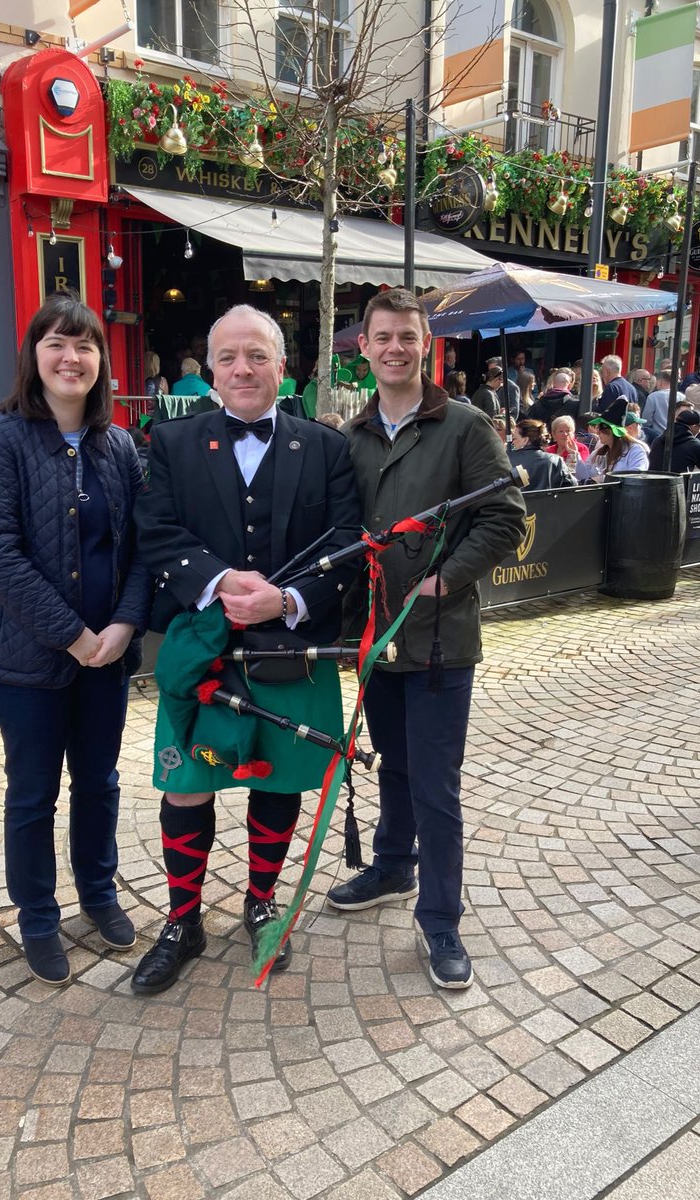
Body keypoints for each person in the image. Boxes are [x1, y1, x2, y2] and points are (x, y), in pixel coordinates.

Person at [131, 304, 360, 995]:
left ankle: (264, 903)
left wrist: (287, 602)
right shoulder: (170, 443)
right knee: (187, 786)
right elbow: (157, 533)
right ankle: (183, 920)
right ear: (209, 367)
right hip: (200, 648)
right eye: (228, 356)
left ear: (282, 367)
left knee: (278, 780)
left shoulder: (326, 448)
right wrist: (226, 581)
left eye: (257, 355)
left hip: (289, 648)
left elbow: (349, 545)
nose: (242, 369)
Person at [326, 289, 526, 990]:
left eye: (406, 337)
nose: (394, 349)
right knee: (395, 766)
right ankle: (391, 868)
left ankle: (440, 919)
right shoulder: (351, 439)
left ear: (425, 343)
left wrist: (448, 580)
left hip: (441, 638)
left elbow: (504, 517)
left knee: (437, 785)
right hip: (379, 640)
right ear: (365, 348)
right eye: (382, 338)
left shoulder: (466, 427)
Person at [0, 293, 151, 987]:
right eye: (57, 344)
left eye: (86, 346)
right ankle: (38, 916)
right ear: (34, 357)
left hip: (109, 652)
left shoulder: (120, 445)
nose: (71, 358)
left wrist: (125, 624)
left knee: (99, 783)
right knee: (33, 791)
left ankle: (98, 894)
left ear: (101, 362)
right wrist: (73, 636)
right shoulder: (3, 440)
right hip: (25, 659)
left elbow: (141, 549)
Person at [576, 399, 649, 482]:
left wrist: (603, 479)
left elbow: (636, 476)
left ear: (613, 431)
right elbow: (584, 476)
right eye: (598, 427)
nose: (598, 431)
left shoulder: (635, 450)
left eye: (602, 427)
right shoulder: (598, 452)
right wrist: (575, 454)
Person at [508, 418, 576, 490]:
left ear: (525, 440)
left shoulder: (508, 460)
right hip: (548, 501)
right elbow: (572, 485)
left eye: (514, 438)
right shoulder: (555, 460)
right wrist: (572, 457)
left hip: (519, 501)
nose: (512, 442)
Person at [642, 371, 685, 442]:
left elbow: (646, 420)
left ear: (660, 382)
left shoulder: (653, 397)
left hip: (657, 436)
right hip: (676, 435)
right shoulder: (682, 397)